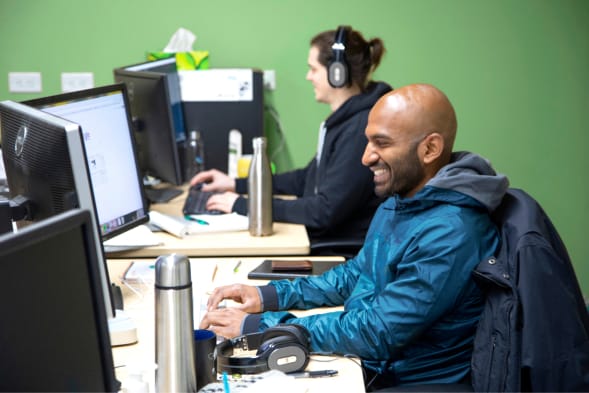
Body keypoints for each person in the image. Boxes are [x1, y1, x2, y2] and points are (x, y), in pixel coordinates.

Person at [199, 83, 510, 390]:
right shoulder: (402, 201)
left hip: (406, 380)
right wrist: (269, 296)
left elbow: (378, 332)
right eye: (367, 142)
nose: (365, 158)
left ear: (429, 149)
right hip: (371, 364)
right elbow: (354, 275)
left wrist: (260, 327)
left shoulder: (451, 232)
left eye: (382, 143)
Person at [190, 26, 392, 251]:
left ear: (337, 73)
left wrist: (244, 205)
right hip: (322, 237)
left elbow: (324, 211)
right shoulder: (346, 120)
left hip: (337, 252)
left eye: (313, 69)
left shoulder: (359, 129)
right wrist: (235, 184)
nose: (308, 76)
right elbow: (306, 179)